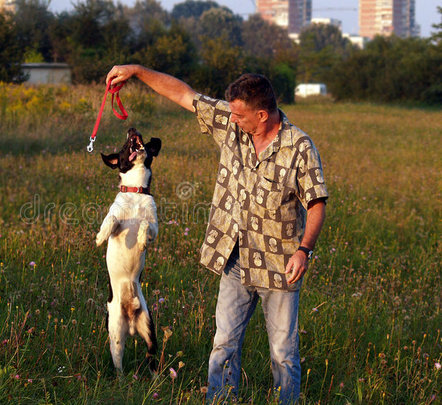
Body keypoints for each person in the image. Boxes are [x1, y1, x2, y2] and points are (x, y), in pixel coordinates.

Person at [105, 65, 327, 404]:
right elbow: (183, 93)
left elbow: (316, 203)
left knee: (283, 353)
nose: (232, 119)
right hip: (234, 259)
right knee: (223, 345)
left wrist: (304, 250)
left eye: (239, 114)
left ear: (263, 115)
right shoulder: (231, 123)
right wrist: (135, 71)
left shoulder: (299, 147)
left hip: (280, 266)